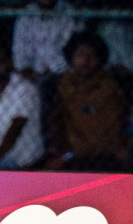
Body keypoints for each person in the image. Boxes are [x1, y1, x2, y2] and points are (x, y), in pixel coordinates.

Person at [44, 32, 128, 172]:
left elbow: (110, 135)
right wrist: (64, 154)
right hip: (71, 156)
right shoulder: (65, 87)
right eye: (80, 55)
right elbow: (57, 126)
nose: (86, 61)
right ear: (71, 58)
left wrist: (70, 155)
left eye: (91, 56)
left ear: (100, 59)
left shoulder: (108, 88)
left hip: (103, 156)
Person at [12, 0, 78, 94]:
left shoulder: (67, 13)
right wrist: (29, 72)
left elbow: (71, 48)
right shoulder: (27, 15)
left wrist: (53, 71)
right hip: (32, 74)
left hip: (61, 74)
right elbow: (20, 50)